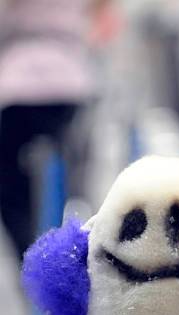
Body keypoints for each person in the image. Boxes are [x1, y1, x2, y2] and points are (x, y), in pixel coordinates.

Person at [0, 0, 112, 258]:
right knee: (74, 178)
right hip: (71, 80)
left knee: (11, 187)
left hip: (18, 81)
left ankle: (28, 259)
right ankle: (70, 249)